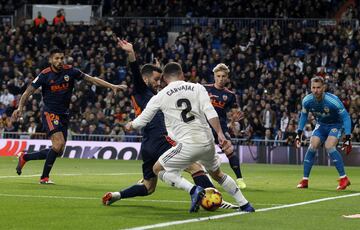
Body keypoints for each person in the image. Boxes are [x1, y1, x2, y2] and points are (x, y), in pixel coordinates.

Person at [102, 39, 238, 209]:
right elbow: (136, 72)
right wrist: (131, 53)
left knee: (148, 186)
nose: (159, 83)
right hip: (161, 139)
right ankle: (212, 199)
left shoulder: (154, 94)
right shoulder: (141, 88)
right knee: (195, 167)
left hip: (147, 144)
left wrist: (159, 68)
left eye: (161, 80)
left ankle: (117, 195)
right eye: (156, 79)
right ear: (145, 79)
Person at [125, 62, 254, 213]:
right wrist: (220, 134)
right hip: (207, 142)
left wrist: (130, 125)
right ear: (182, 75)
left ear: (165, 79)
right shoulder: (198, 88)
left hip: (187, 144)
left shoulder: (160, 96)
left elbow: (142, 121)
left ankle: (194, 190)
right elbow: (210, 111)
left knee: (158, 169)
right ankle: (245, 204)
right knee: (218, 174)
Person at [12, 48, 127, 184]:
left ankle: (25, 157)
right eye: (57, 58)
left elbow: (92, 80)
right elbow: (27, 92)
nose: (60, 61)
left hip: (64, 115)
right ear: (51, 60)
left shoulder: (70, 71)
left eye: (62, 58)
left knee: (59, 150)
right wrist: (20, 107)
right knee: (58, 144)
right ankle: (44, 178)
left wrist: (112, 86)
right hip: (50, 113)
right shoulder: (45, 75)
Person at [296, 76, 352, 190]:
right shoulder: (307, 100)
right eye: (313, 87)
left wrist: (348, 137)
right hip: (321, 125)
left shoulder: (333, 100)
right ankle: (305, 180)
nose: (316, 90)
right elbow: (303, 116)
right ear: (310, 88)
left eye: (318, 87)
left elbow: (346, 117)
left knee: (329, 146)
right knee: (312, 145)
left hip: (336, 124)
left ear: (323, 88)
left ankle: (344, 178)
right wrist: (299, 133)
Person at [203, 63, 246, 189]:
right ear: (214, 76)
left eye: (223, 76)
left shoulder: (230, 95)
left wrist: (234, 118)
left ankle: (239, 179)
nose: (221, 79)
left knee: (229, 150)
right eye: (218, 76)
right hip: (203, 126)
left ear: (227, 78)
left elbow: (234, 112)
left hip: (220, 127)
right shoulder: (205, 89)